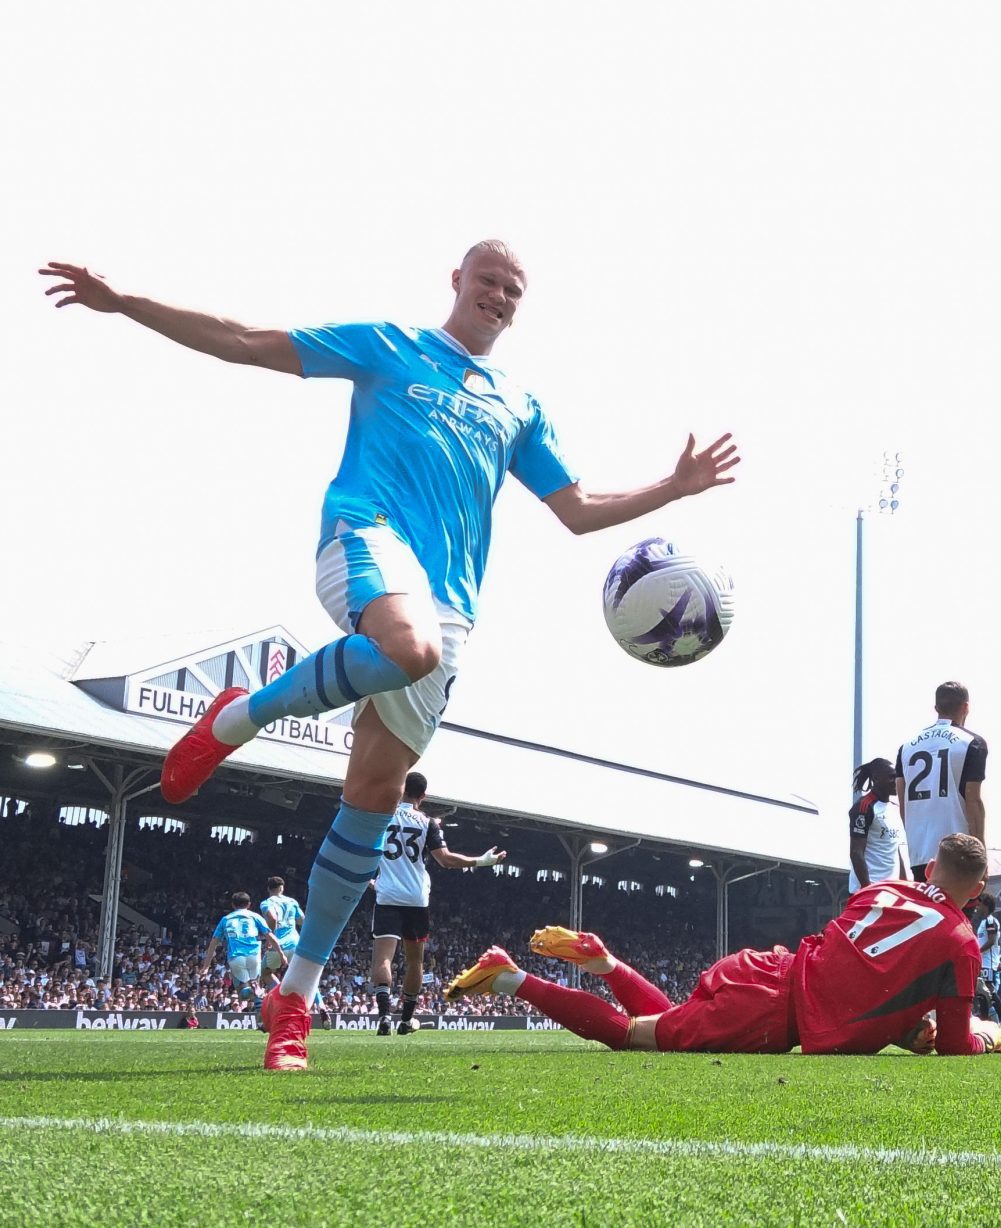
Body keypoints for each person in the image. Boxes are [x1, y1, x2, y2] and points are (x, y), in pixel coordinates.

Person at [41, 243, 738, 1070]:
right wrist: (127, 302)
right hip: (365, 535)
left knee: (370, 800)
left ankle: (292, 999)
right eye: (489, 281)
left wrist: (673, 486)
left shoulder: (519, 406)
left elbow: (578, 510)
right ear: (457, 280)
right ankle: (243, 713)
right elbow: (248, 338)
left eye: (514, 290)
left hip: (454, 603)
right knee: (407, 646)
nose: (500, 296)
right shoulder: (388, 347)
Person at [445, 833, 1001, 1057]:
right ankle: (510, 975)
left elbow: (857, 967)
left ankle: (607, 963)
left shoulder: (887, 887)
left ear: (930, 866)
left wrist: (903, 1028)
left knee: (671, 1020)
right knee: (632, 1037)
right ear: (977, 892)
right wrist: (986, 1039)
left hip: (767, 968)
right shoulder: (961, 942)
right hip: (770, 1013)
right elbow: (957, 1046)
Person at [368, 772, 503, 1036]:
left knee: (383, 957)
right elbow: (446, 860)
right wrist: (482, 861)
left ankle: (384, 1016)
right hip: (416, 898)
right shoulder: (428, 823)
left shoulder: (382, 816)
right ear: (423, 796)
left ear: (400, 789)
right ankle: (406, 1021)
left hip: (387, 896)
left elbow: (366, 852)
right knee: (415, 961)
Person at [897, 682, 987, 877]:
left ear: (936, 708)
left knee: (925, 907)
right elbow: (973, 801)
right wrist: (981, 854)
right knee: (956, 908)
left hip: (919, 852)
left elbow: (903, 805)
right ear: (966, 707)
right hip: (958, 853)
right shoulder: (972, 743)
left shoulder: (906, 747)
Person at [204, 892, 284, 1009]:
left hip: (235, 958)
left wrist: (206, 967)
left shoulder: (225, 919)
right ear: (249, 904)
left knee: (242, 994)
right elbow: (270, 936)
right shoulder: (255, 917)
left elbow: (213, 943)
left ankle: (252, 993)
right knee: (255, 987)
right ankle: (258, 999)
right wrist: (281, 954)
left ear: (232, 905)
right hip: (254, 957)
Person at [847, 757, 906, 891]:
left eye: (897, 777)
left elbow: (896, 849)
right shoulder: (864, 807)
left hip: (891, 890)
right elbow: (856, 852)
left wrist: (904, 884)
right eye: (891, 777)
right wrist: (866, 888)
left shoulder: (895, 808)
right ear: (876, 778)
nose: (895, 781)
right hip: (869, 890)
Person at [257, 877, 304, 992]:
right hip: (295, 944)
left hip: (278, 945)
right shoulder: (292, 902)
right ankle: (318, 1005)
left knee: (266, 973)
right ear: (282, 888)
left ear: (268, 889)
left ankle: (281, 995)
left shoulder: (266, 903)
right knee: (302, 976)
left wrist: (270, 938)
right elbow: (302, 920)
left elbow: (272, 918)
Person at [966, 891, 1001, 1022]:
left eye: (980, 904)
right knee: (984, 990)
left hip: (987, 962)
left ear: (986, 906)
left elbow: (991, 941)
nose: (977, 907)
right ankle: (988, 1018)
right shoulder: (985, 922)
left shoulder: (990, 921)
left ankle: (999, 1020)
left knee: (987, 990)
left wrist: (977, 951)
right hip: (985, 961)